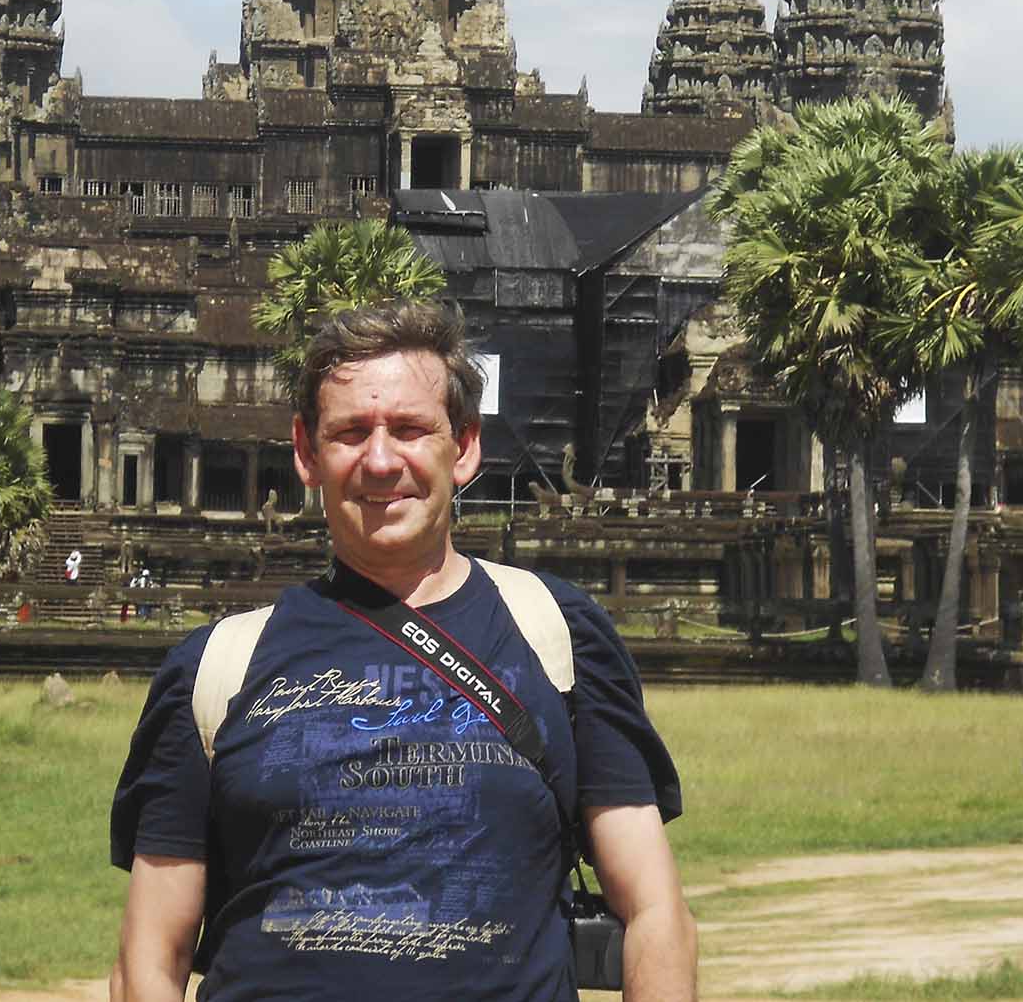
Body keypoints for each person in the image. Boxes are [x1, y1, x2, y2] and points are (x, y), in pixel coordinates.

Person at [110, 300, 696, 1002]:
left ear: (466, 447)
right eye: (351, 432)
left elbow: (654, 910)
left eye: (411, 429)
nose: (381, 461)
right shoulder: (215, 667)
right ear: (306, 453)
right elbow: (151, 952)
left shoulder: (556, 635)